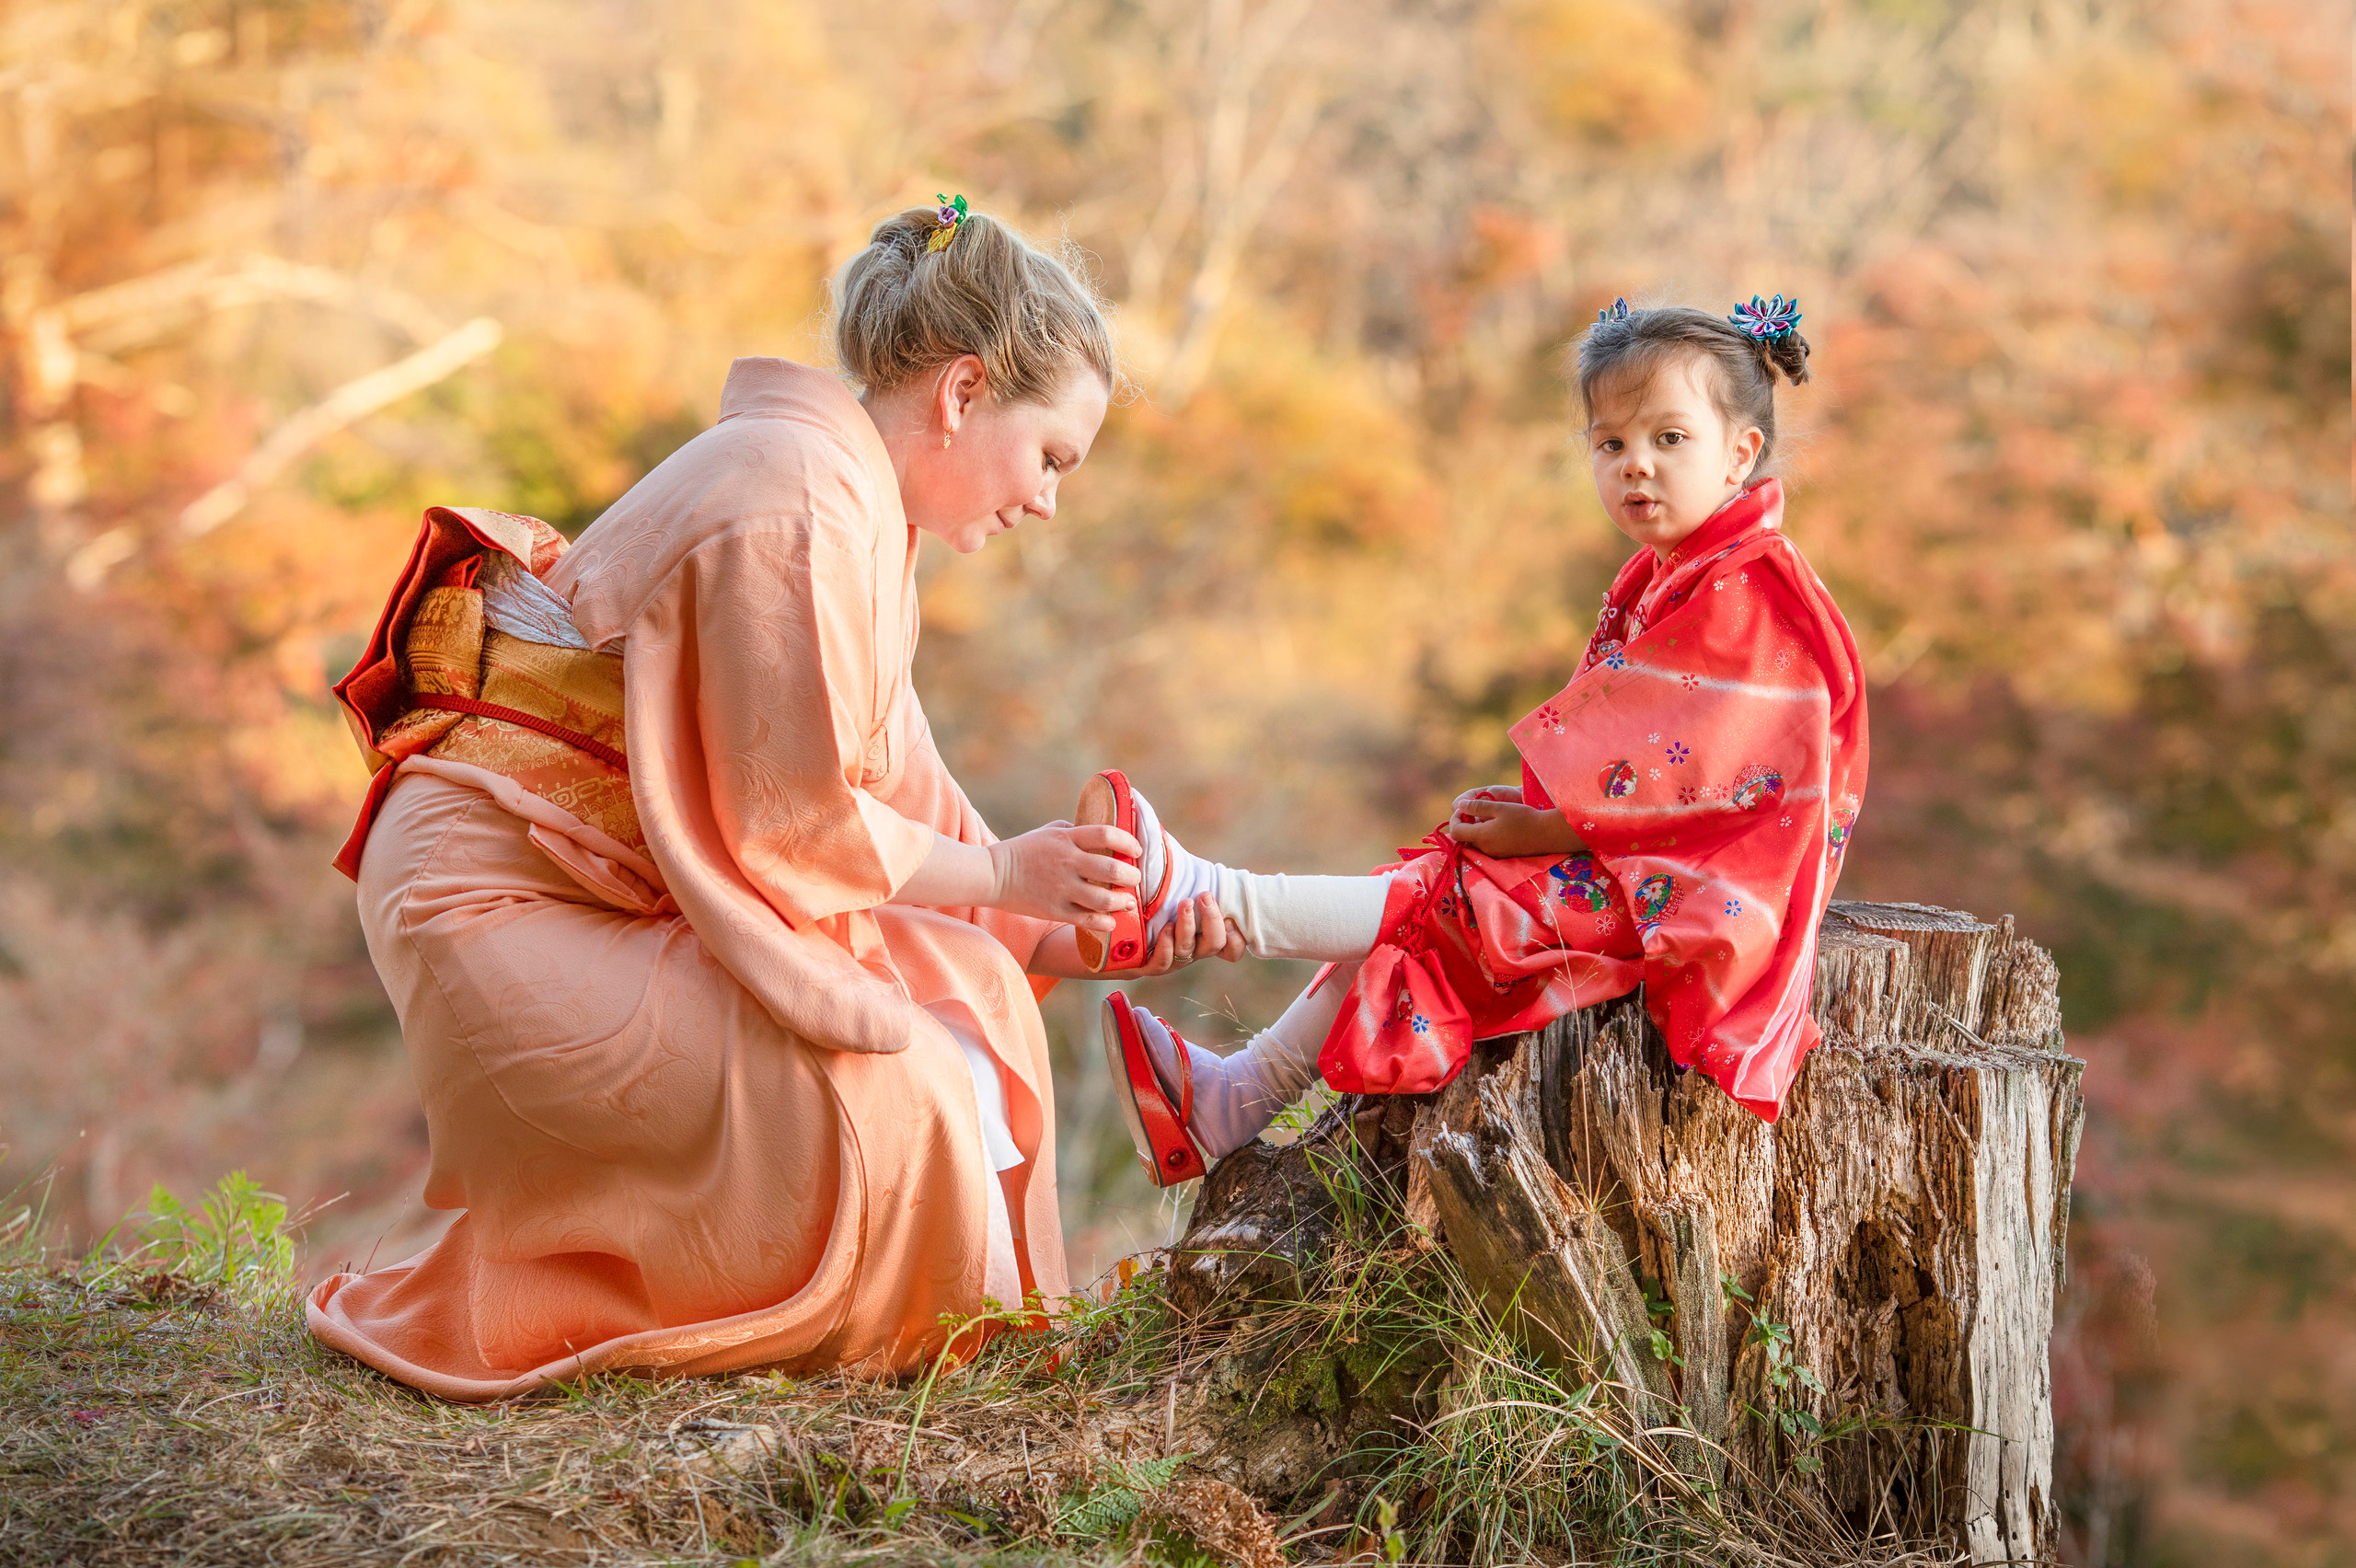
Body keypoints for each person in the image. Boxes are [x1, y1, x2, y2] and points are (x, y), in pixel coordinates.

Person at [306, 199, 1237, 1400]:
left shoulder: (853, 511)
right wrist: (1012, 874)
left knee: (972, 984)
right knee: (890, 1092)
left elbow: (919, 815)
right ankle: (893, 1355)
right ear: (963, 393)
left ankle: (964, 1351)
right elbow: (795, 827)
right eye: (1051, 457)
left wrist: (1091, 924)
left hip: (603, 882)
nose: (1048, 501)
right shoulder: (797, 498)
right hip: (501, 902)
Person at [1093, 295, 1868, 1186]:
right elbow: (1645, 762)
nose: (1636, 465)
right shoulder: (1682, 573)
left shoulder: (1749, 593)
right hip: (1650, 867)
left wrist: (1547, 828)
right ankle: (1233, 1096)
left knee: (1451, 898)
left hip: (1700, 900)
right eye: (1610, 443)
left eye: (1669, 438)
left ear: (1740, 452)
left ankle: (1203, 901)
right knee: (1442, 888)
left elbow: (1698, 786)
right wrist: (1543, 817)